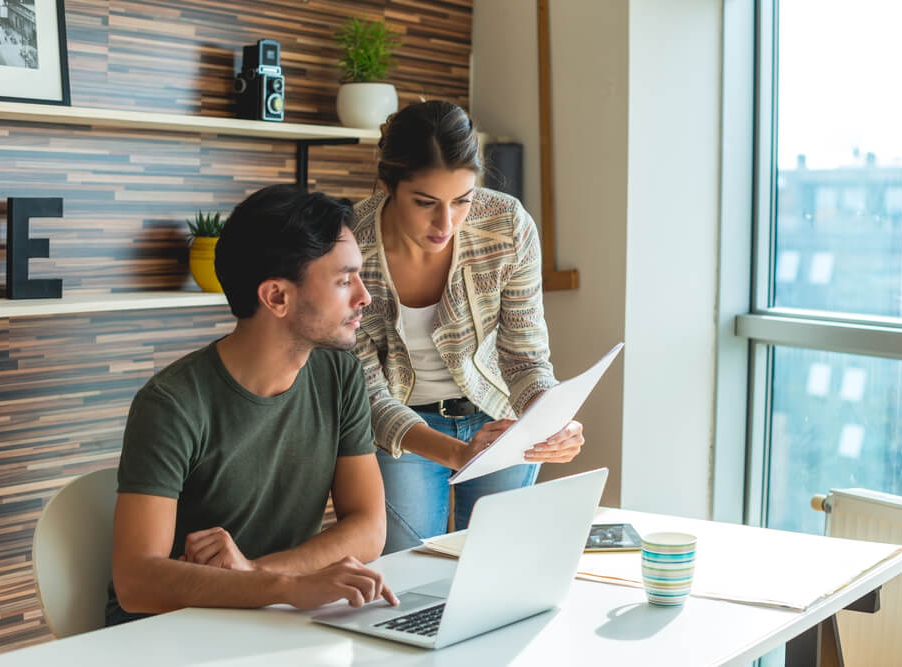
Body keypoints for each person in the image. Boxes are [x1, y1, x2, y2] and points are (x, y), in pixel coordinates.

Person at [108, 184, 398, 625]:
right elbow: (136, 583)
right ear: (277, 297)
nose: (364, 296)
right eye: (344, 281)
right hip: (169, 633)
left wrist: (258, 575)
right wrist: (287, 588)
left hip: (270, 618)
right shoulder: (172, 403)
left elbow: (369, 529)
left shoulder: (340, 375)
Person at [351, 101, 585, 554]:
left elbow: (524, 358)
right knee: (409, 568)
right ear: (387, 185)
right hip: (401, 429)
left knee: (498, 561)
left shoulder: (507, 225)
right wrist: (457, 452)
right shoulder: (351, 245)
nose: (446, 223)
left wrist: (550, 418)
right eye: (425, 203)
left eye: (462, 200)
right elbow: (366, 393)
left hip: (499, 418)